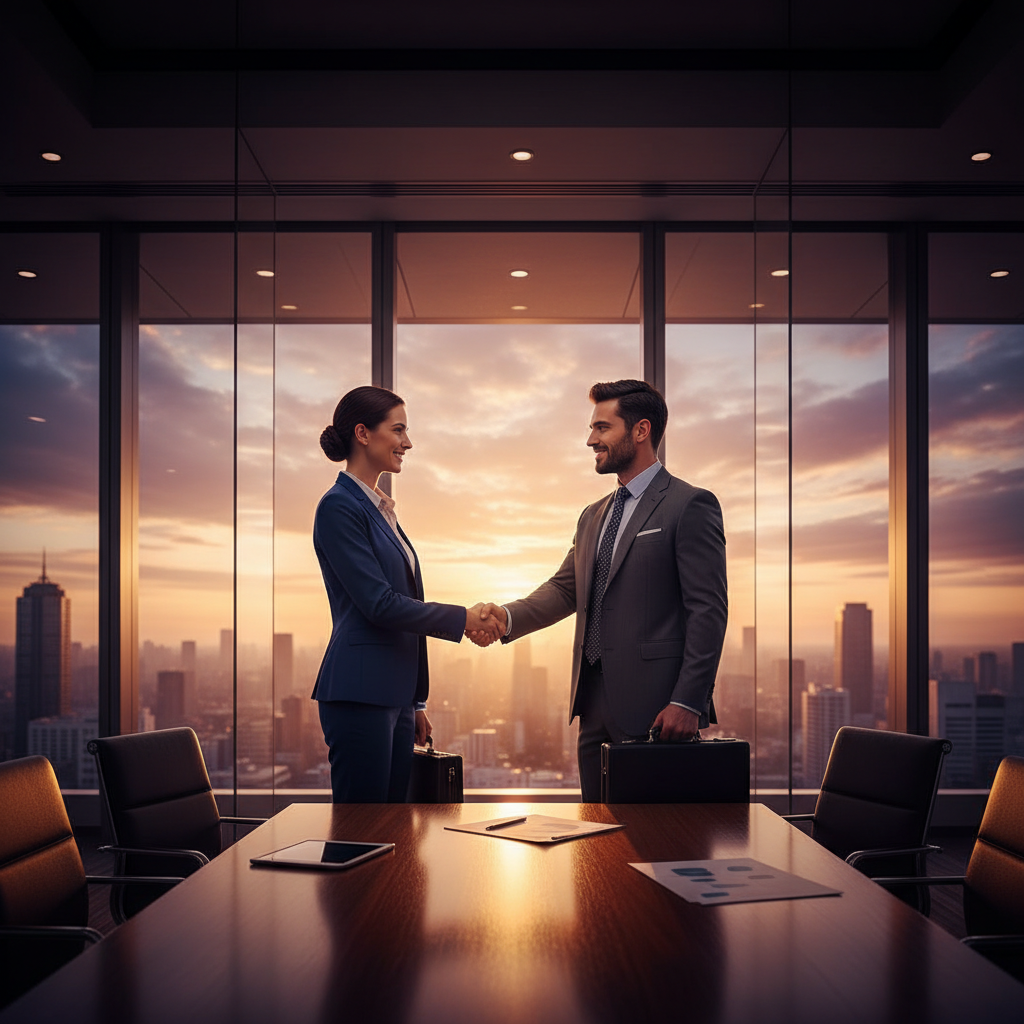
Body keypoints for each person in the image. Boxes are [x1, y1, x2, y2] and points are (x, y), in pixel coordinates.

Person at [467, 379, 728, 801]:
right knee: (598, 830)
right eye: (592, 428)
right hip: (591, 706)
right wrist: (505, 616)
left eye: (602, 428)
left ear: (640, 430)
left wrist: (688, 701)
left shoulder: (689, 505)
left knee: (653, 835)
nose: (591, 440)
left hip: (657, 709)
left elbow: (708, 611)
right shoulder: (593, 515)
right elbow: (564, 589)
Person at [313, 385, 490, 802]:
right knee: (362, 826)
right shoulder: (339, 507)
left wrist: (415, 703)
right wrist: (463, 618)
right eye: (398, 430)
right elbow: (379, 604)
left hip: (394, 697)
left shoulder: (380, 510)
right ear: (363, 433)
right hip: (359, 694)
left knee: (394, 823)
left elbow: (402, 605)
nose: (407, 442)